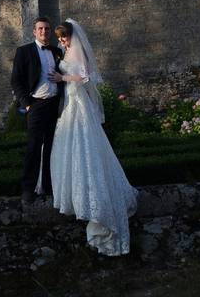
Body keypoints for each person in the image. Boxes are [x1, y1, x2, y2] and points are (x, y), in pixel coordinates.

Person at [46, 18, 138, 254]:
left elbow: (86, 76)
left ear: (71, 36)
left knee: (86, 147)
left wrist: (62, 78)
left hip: (79, 104)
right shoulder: (64, 52)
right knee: (68, 148)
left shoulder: (77, 52)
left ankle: (98, 209)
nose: (62, 41)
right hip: (69, 105)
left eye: (63, 37)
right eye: (60, 38)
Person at [10, 16, 64, 204]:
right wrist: (27, 104)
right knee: (34, 146)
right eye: (40, 29)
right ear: (34, 31)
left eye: (47, 29)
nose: (44, 32)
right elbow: (16, 80)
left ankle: (48, 186)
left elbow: (64, 76)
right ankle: (28, 189)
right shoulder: (24, 51)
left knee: (51, 146)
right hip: (36, 104)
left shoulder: (57, 51)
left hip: (54, 104)